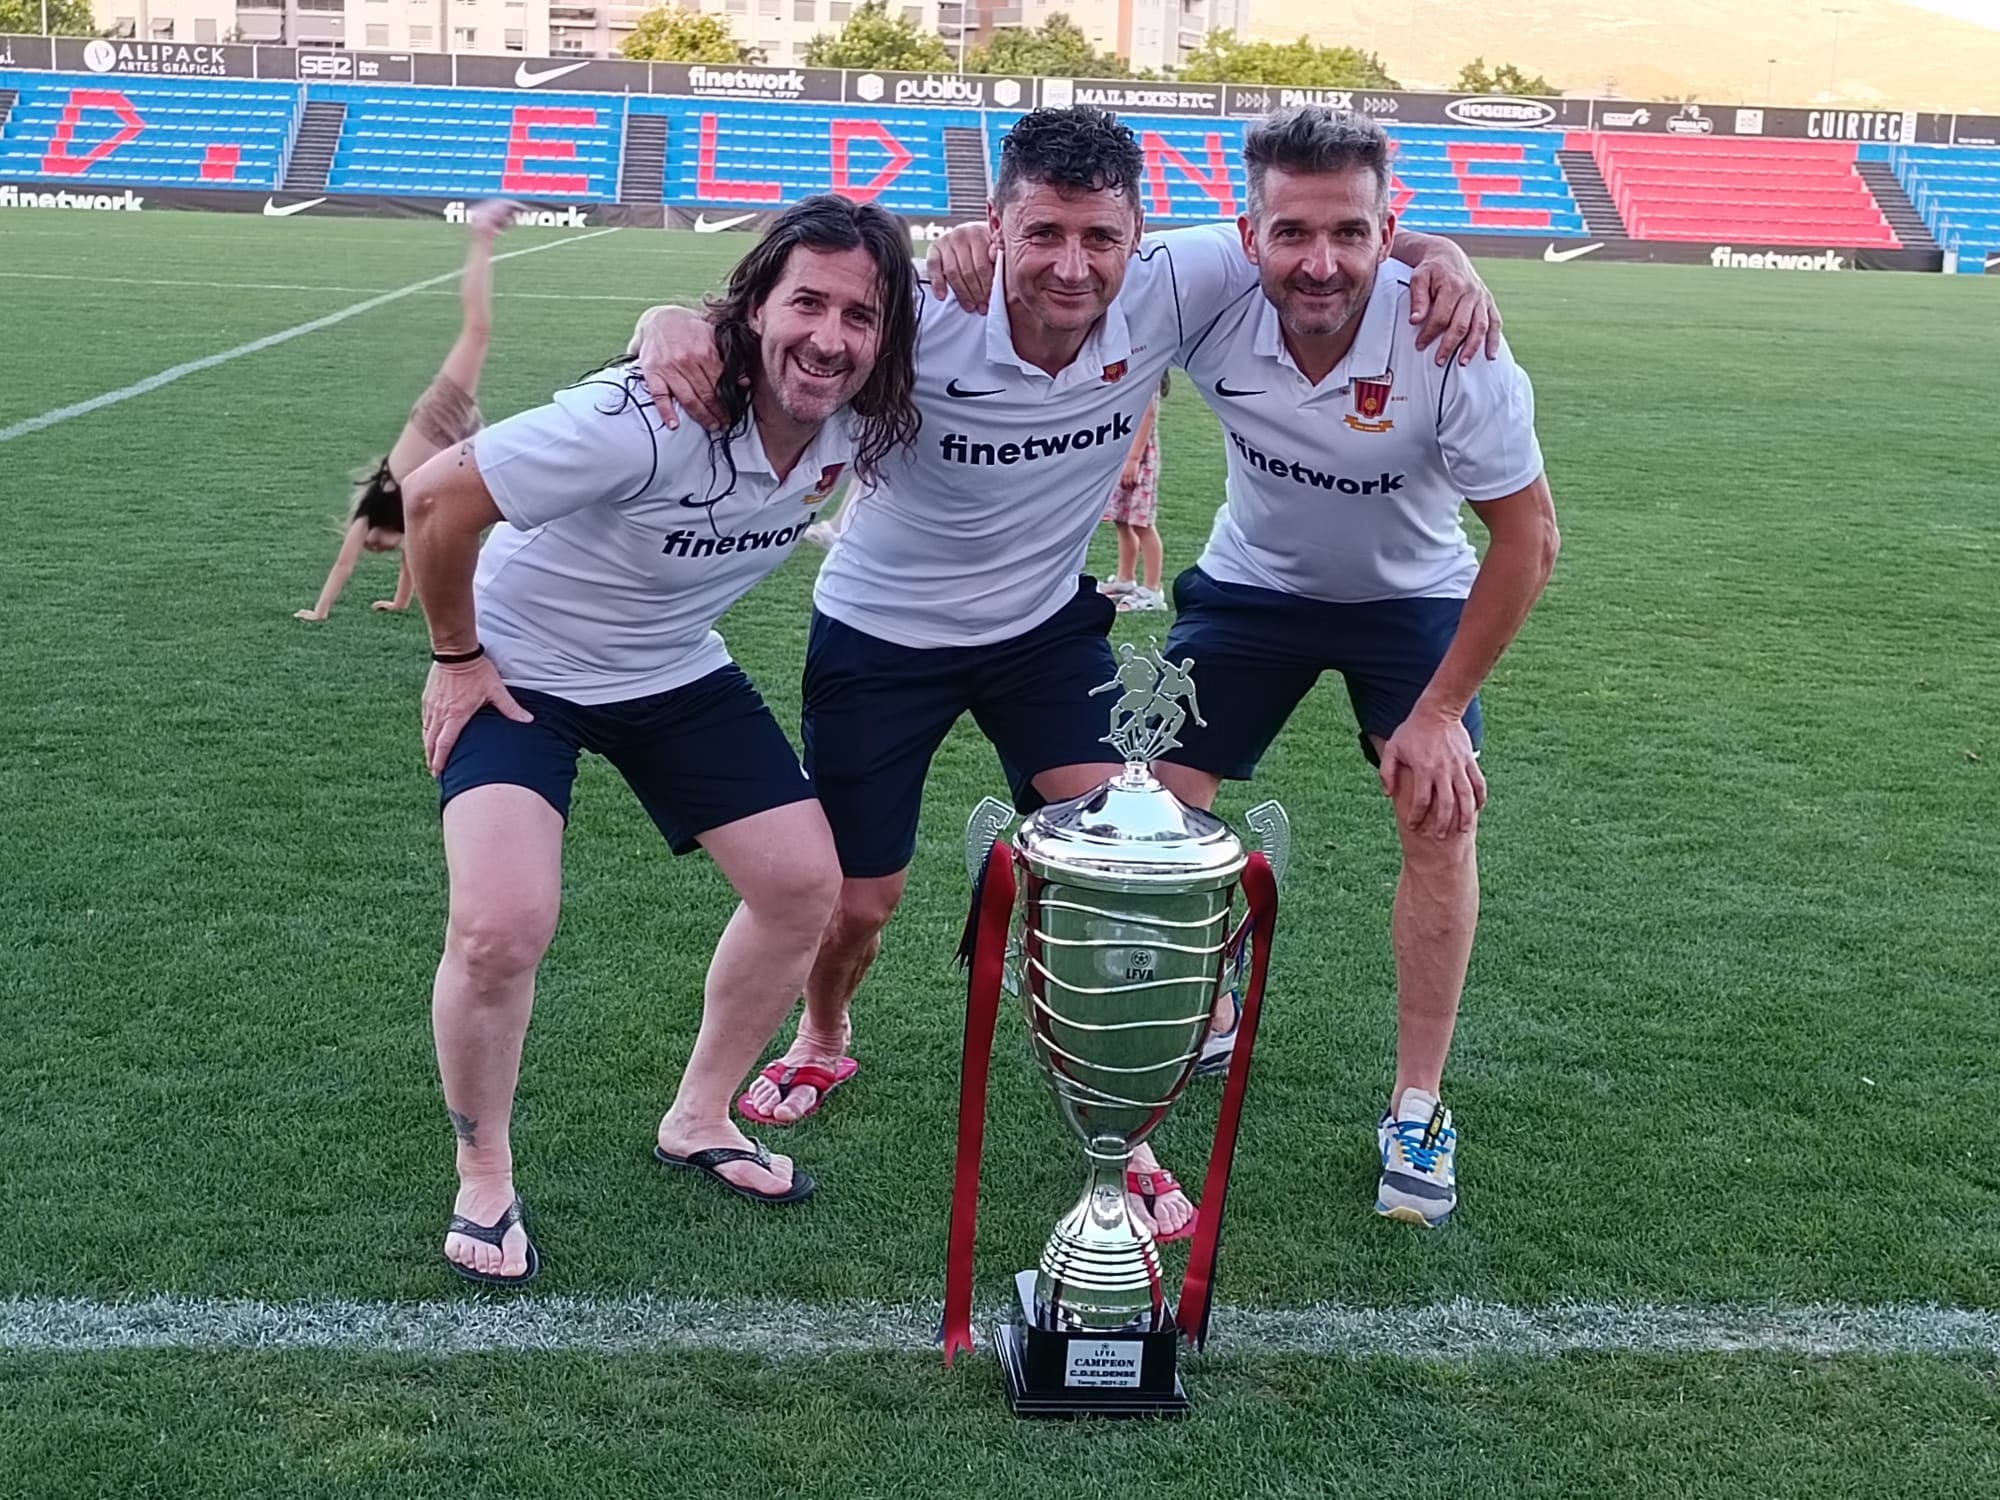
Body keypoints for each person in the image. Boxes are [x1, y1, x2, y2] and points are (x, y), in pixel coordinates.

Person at [637, 108, 1498, 1239]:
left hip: (1045, 636)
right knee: (858, 899)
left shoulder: (1177, 280)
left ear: (1141, 236)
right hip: (882, 634)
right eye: (1041, 233)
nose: (1072, 266)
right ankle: (824, 1033)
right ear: (994, 226)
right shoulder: (921, 304)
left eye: (1100, 238)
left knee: (1121, 869)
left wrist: (1444, 254)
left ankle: (1121, 1130)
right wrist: (664, 321)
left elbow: (1330, 237)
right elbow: (769, 321)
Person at [400, 195, 922, 1285]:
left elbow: (1029, 304)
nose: (830, 338)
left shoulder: (860, 416)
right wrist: (455, 656)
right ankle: (483, 1171)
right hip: (520, 667)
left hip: (668, 665)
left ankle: (699, 1116)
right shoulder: (645, 415)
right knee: (498, 927)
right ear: (754, 307)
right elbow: (435, 497)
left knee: (801, 886)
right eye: (806, 303)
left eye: (859, 315)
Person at [1144, 106, 1561, 1228]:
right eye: (1291, 232)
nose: (1319, 262)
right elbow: (1055, 278)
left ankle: (1417, 1103)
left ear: (1388, 228)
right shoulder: (1204, 291)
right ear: (1248, 232)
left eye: (1350, 232)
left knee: (1439, 811)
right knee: (1158, 813)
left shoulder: (1449, 337)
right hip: (1254, 587)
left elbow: (1529, 540)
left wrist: (1440, 712)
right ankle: (1209, 990)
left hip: (1408, 599)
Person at [295, 198, 513, 622]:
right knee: (495, 494)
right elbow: (413, 559)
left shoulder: (371, 508)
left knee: (478, 331)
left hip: (437, 420)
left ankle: (482, 233)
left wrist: (319, 611)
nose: (378, 548)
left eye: (373, 546)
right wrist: (400, 602)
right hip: (460, 439)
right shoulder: (408, 520)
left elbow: (344, 564)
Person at [1098, 372, 1169, 612]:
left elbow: (1147, 415)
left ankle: (1152, 590)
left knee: (1142, 523)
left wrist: (1134, 459)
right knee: (1122, 519)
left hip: (1139, 459)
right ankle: (1125, 580)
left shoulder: (1147, 373)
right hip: (1122, 453)